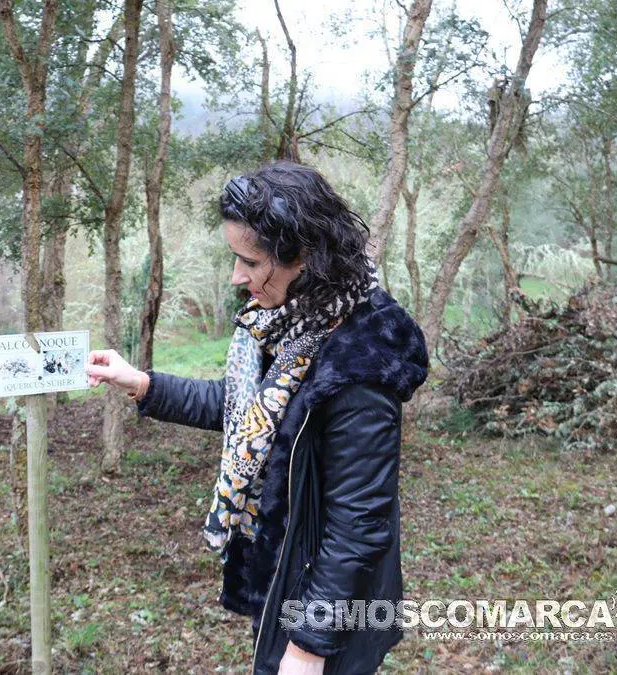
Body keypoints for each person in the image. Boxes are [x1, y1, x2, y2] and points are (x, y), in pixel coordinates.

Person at [85, 161, 428, 674]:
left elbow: (358, 526)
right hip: (283, 579)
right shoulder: (292, 326)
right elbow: (246, 410)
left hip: (322, 612)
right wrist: (140, 383)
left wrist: (307, 648)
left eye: (250, 261)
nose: (237, 276)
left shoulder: (360, 361)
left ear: (304, 257)